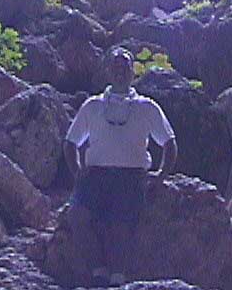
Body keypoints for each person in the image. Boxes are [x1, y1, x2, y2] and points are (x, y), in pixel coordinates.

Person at [63, 47, 178, 287]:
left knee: (121, 226)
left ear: (132, 71)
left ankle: (118, 278)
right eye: (115, 66)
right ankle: (98, 272)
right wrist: (77, 173)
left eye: (125, 66)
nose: (120, 71)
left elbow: (169, 143)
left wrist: (160, 176)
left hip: (132, 177)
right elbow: (70, 142)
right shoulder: (93, 106)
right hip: (95, 176)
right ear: (108, 71)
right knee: (77, 217)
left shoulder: (147, 107)